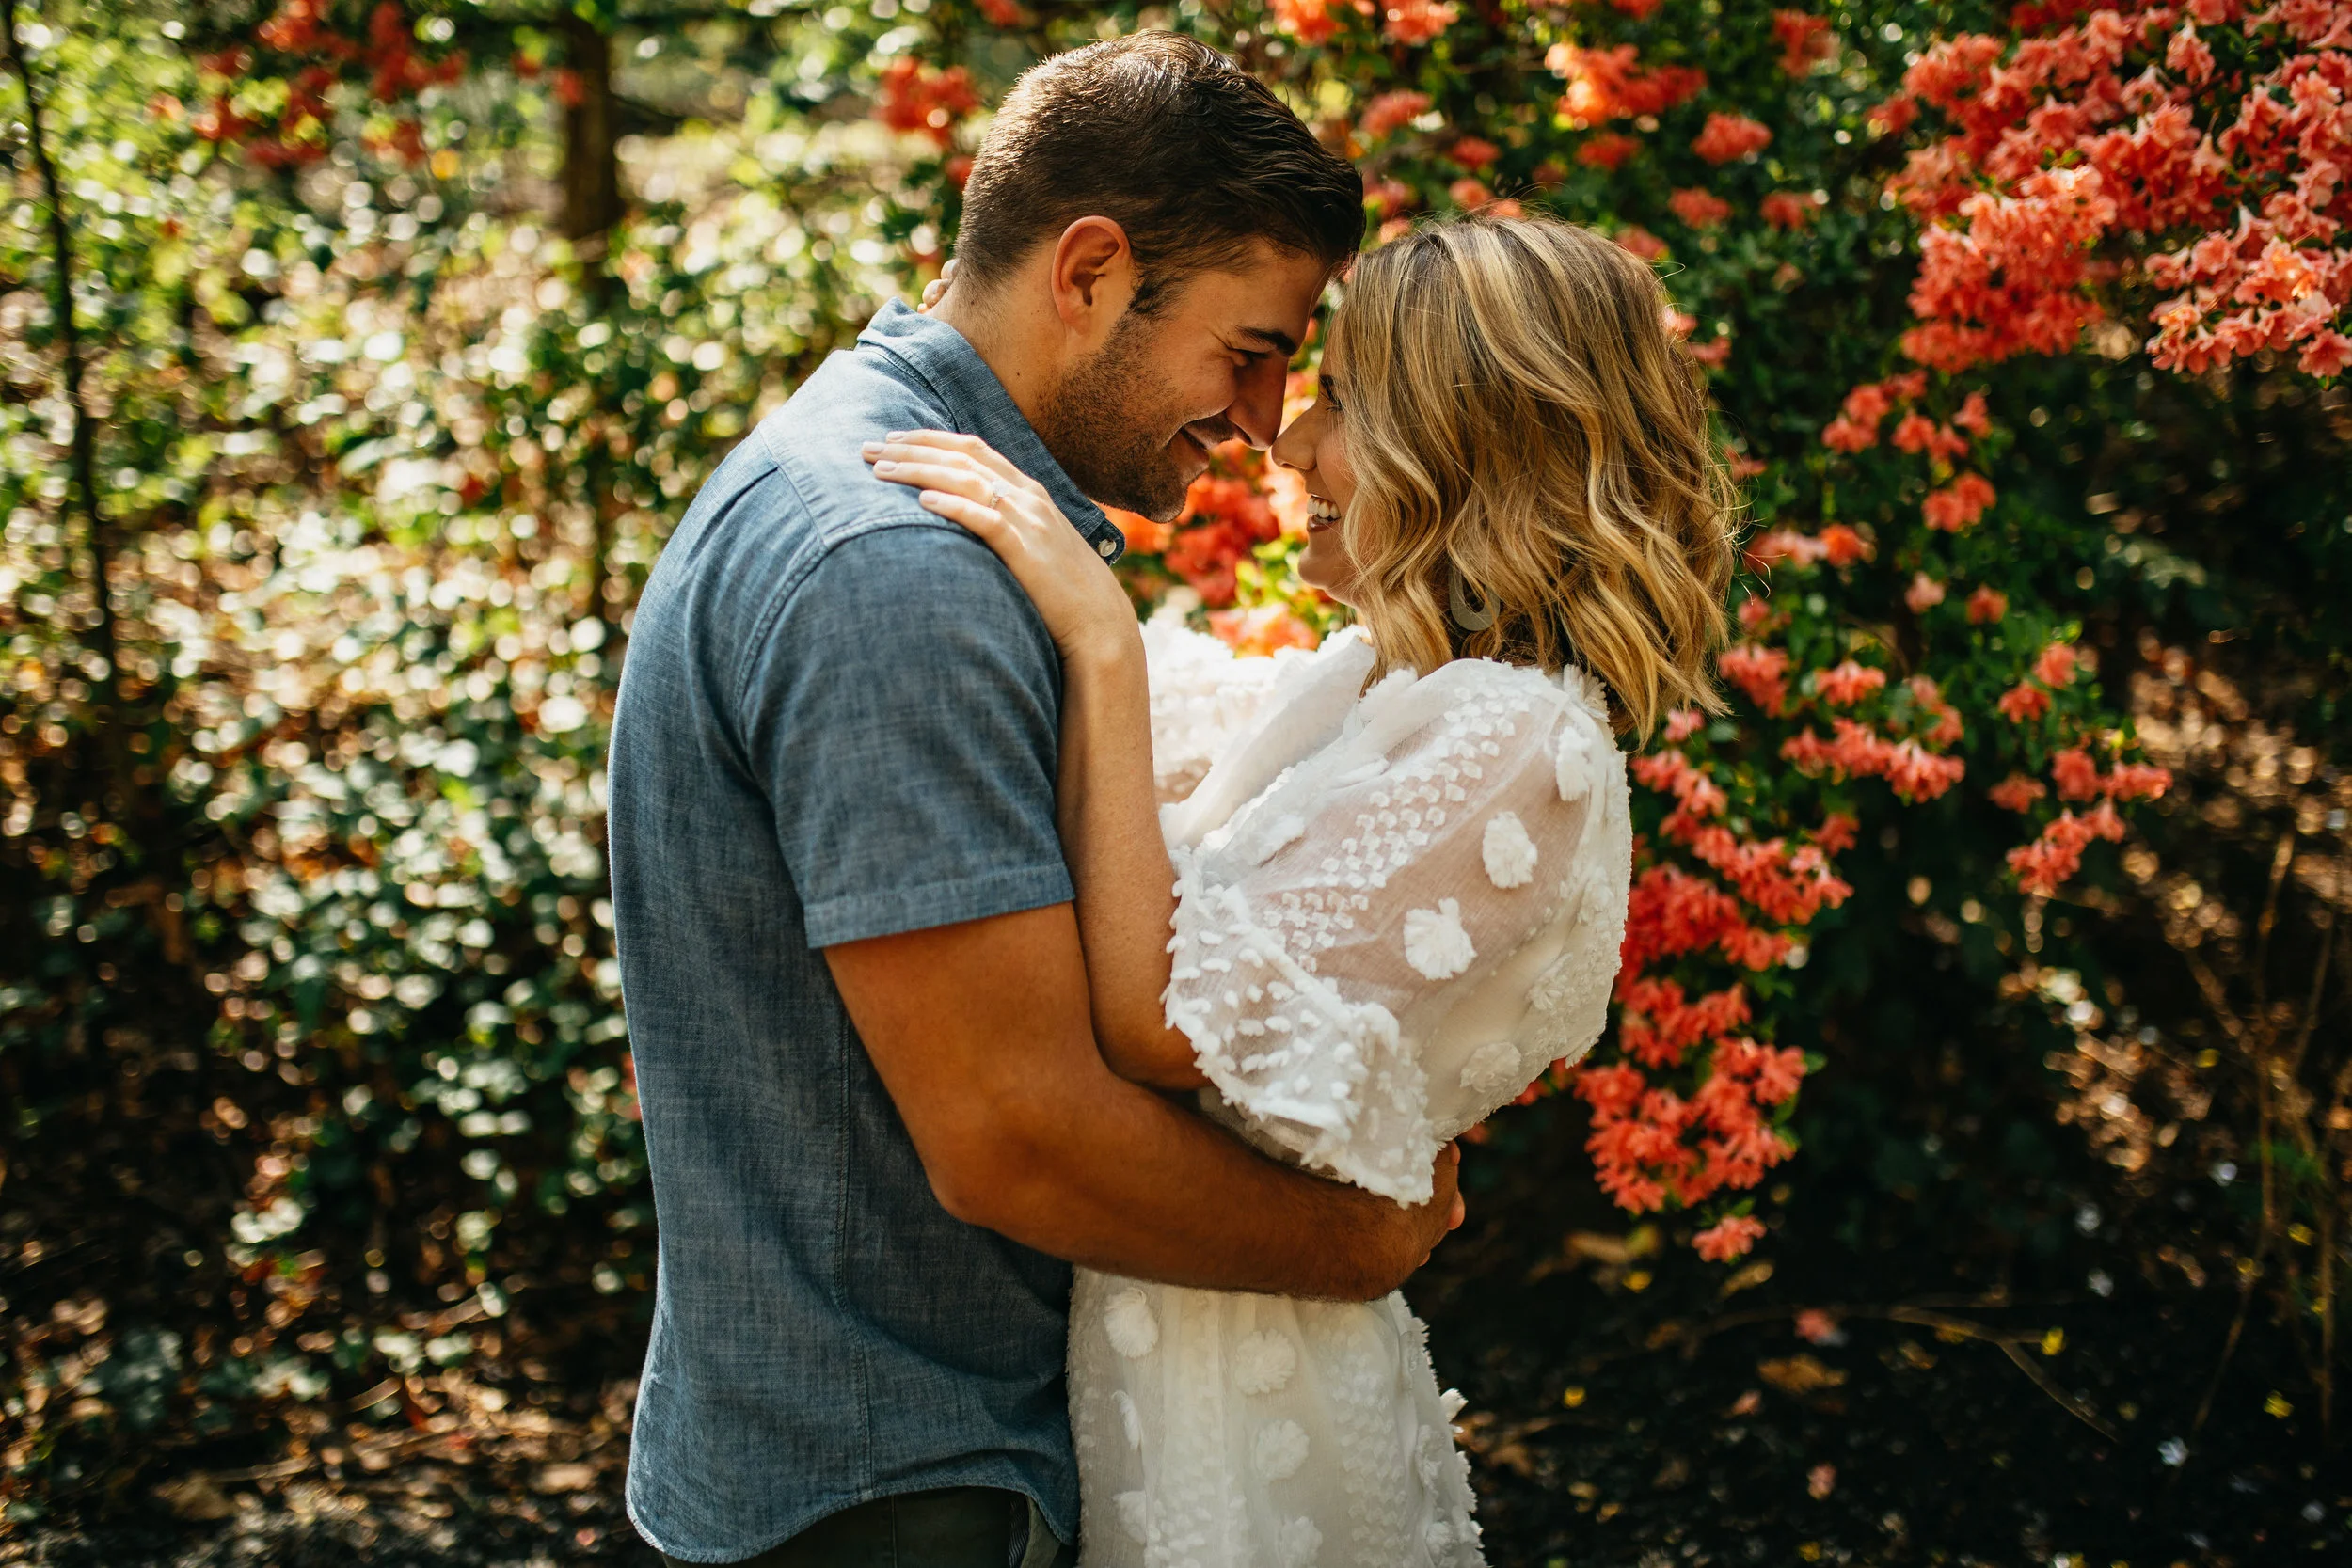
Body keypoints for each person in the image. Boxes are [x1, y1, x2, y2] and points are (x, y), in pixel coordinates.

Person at [606, 32, 1468, 1568]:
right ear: (1087, 271)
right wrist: (1363, 1241)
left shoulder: (880, 491)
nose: (1265, 421)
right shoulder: (895, 573)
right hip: (902, 1489)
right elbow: (1014, 1135)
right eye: (1248, 348)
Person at [865, 211, 1737, 1564]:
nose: (1287, 440)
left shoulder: (1520, 740)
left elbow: (1167, 1019)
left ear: (1472, 445)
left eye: (1345, 401)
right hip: (1156, 1334)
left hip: (1239, 1400)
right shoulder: (1372, 683)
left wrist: (1099, 639)